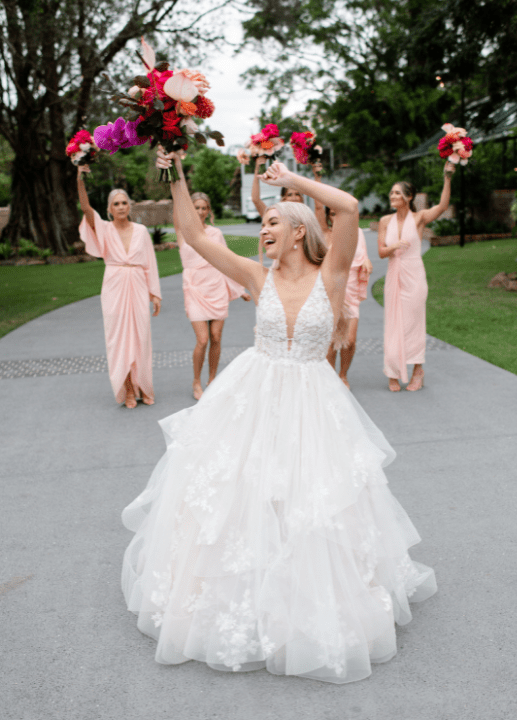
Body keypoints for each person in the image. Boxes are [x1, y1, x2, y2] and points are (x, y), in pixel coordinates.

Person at [121, 151, 436, 683]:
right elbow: (194, 236)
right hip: (254, 394)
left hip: (313, 403)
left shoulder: (331, 274)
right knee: (241, 496)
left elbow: (350, 206)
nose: (263, 230)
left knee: (310, 500)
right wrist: (174, 173)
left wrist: (289, 180)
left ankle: (306, 599)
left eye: (272, 223)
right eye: (263, 223)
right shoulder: (254, 275)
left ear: (298, 232)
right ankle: (244, 597)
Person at [76, 165, 161, 408]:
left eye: (124, 203)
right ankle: (127, 390)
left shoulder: (142, 231)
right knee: (118, 339)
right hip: (114, 286)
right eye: (116, 204)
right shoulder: (104, 229)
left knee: (141, 338)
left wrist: (155, 294)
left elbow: (150, 264)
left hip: (137, 285)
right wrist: (80, 177)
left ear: (130, 206)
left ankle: (144, 385)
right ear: (109, 209)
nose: (121, 207)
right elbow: (85, 207)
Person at [378, 163, 455, 391]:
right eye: (391, 192)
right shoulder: (384, 221)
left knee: (413, 323)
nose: (393, 196)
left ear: (408, 197)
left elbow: (442, 206)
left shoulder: (419, 218)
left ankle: (417, 371)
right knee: (393, 324)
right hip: (394, 274)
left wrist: (447, 177)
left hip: (414, 276)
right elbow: (382, 252)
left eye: (397, 193)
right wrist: (394, 247)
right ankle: (392, 372)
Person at [174, 192, 250, 400]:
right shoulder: (183, 232)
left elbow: (227, 261)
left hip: (215, 285)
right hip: (195, 288)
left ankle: (213, 379)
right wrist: (173, 180)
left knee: (216, 337)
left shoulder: (216, 233)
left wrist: (240, 289)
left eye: (203, 208)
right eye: (196, 208)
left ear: (208, 211)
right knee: (203, 339)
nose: (200, 212)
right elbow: (177, 210)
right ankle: (196, 381)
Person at [314, 173, 374, 387]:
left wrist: (366, 260)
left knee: (349, 340)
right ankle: (331, 378)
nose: (334, 217)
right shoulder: (325, 234)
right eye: (331, 213)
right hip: (329, 292)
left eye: (337, 213)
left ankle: (343, 374)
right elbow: (318, 208)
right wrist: (317, 177)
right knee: (330, 342)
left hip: (350, 289)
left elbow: (363, 253)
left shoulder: (356, 232)